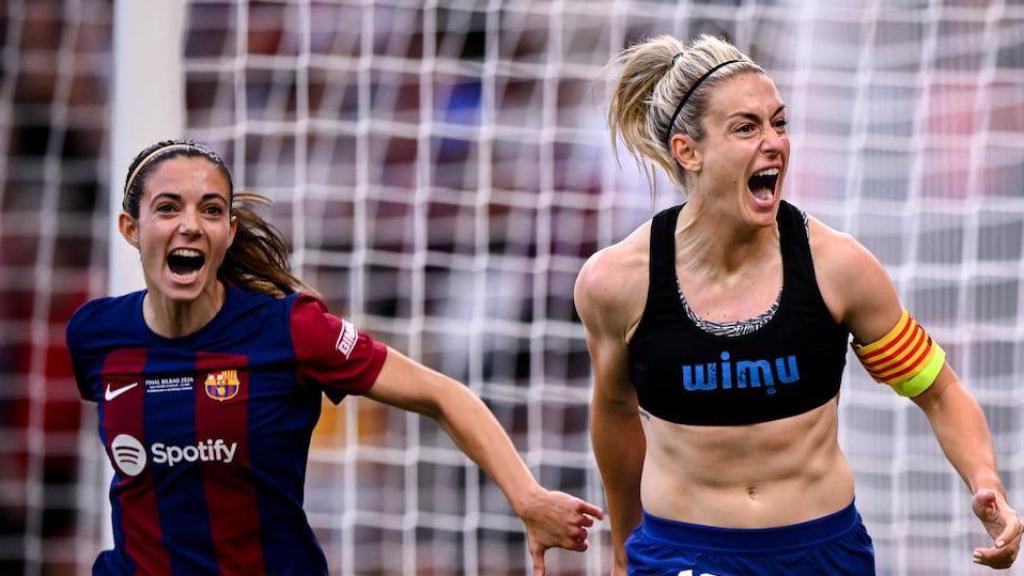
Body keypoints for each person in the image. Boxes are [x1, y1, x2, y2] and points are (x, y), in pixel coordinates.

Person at [574, 34, 1022, 575]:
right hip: (684, 553)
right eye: (746, 127)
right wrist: (624, 545)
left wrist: (986, 481)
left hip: (824, 551)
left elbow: (939, 390)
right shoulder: (616, 282)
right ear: (687, 151)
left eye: (779, 123)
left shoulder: (840, 268)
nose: (774, 143)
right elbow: (615, 410)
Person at [66, 139, 603, 575]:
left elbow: (443, 394)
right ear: (131, 230)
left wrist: (527, 497)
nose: (189, 225)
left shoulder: (291, 330)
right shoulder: (95, 335)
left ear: (228, 233)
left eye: (210, 210)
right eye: (167, 208)